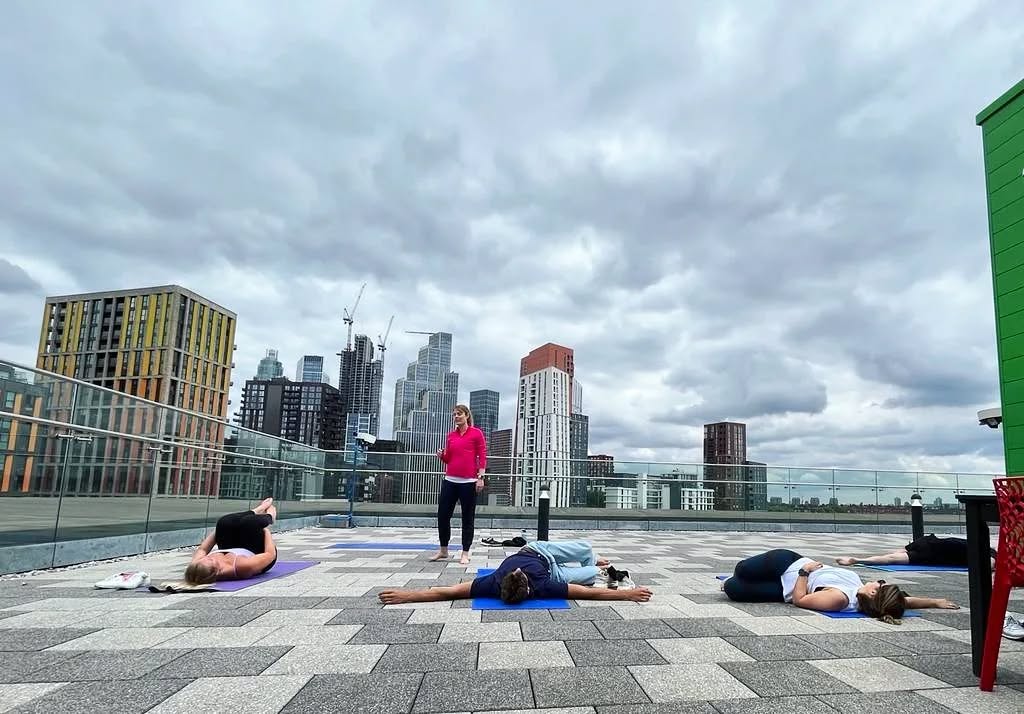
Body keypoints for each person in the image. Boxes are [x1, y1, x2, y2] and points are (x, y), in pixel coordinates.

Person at [379, 539, 653, 605]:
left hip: (539, 552)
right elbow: (586, 593)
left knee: (584, 547)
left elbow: (449, 591)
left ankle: (592, 556)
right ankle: (597, 565)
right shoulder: (496, 584)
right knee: (590, 578)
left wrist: (409, 595)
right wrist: (407, 596)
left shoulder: (496, 582)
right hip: (552, 575)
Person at [722, 548, 959, 623]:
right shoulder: (869, 595)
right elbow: (903, 601)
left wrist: (806, 572)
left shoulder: (840, 599)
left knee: (734, 588)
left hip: (796, 574)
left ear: (874, 592)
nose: (878, 580)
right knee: (742, 569)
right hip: (786, 563)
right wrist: (935, 602)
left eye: (880, 583)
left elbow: (800, 601)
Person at [432, 404, 487, 565]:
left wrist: (481, 477)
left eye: (459, 414)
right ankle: (443, 550)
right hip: (450, 480)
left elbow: (482, 456)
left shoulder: (476, 433)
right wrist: (442, 456)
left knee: (467, 518)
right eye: (454, 414)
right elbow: (449, 459)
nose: (456, 417)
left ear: (467, 415)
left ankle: (465, 552)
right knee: (443, 515)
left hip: (469, 482)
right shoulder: (450, 435)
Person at [183, 498, 278, 585]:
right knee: (249, 523)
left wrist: (219, 530)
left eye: (202, 559)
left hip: (234, 547)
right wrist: (265, 530)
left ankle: (258, 509)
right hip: (260, 553)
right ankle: (270, 516)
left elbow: (202, 550)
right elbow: (270, 554)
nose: (205, 558)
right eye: (211, 559)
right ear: (217, 571)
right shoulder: (242, 566)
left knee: (224, 522)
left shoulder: (198, 565)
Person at [835, 533, 989, 568]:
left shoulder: (979, 545)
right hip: (933, 555)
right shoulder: (990, 553)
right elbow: (990, 564)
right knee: (892, 560)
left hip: (929, 541)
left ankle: (858, 559)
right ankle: (859, 560)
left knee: (892, 557)